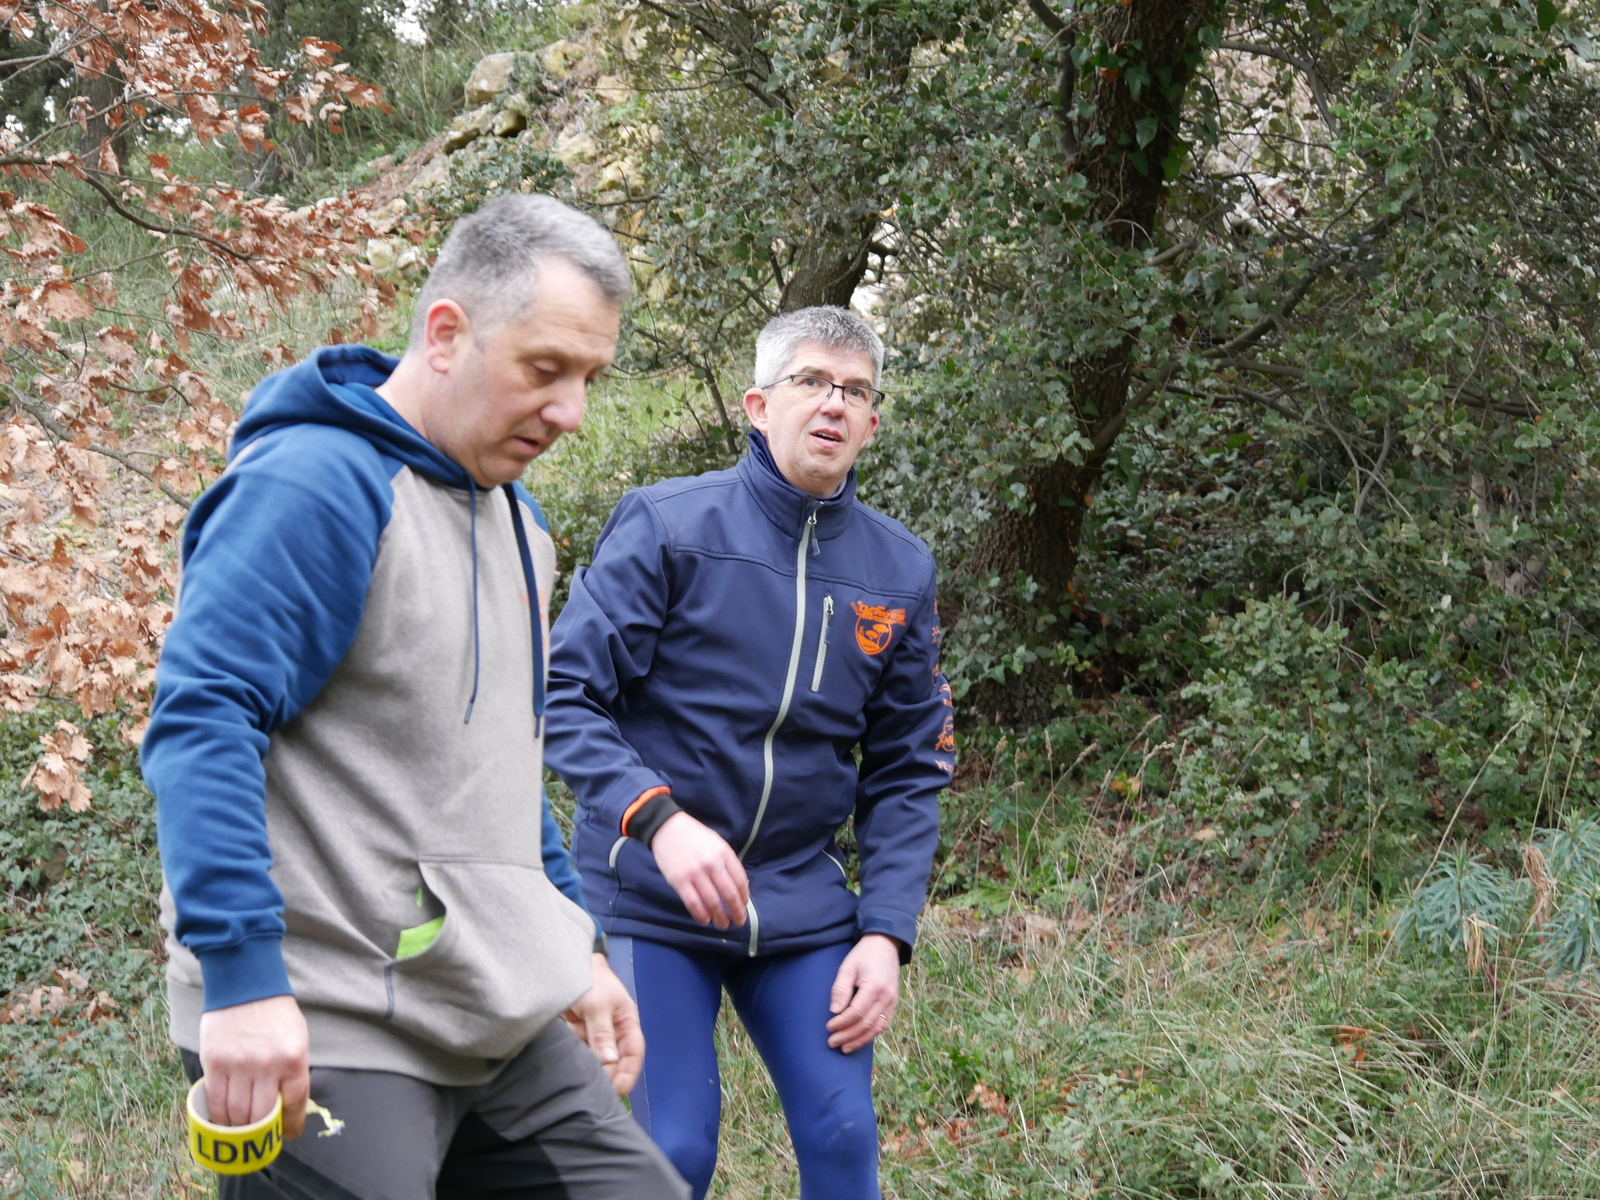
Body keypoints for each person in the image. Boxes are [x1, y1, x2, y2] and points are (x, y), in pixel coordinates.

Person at [141, 194, 687, 1200]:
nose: (571, 411)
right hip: (324, 1012)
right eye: (545, 369)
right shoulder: (318, 484)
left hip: (487, 1010)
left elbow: (495, 769)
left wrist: (574, 946)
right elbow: (203, 719)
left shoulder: (518, 524)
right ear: (445, 333)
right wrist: (242, 981)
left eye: (589, 379)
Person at [545, 305, 956, 1200]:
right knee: (673, 1151)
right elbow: (565, 696)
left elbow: (909, 766)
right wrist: (661, 823)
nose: (834, 403)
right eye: (810, 381)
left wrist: (885, 931)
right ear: (758, 406)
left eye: (855, 391)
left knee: (843, 1136)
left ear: (871, 424)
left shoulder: (900, 570)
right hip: (651, 894)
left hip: (800, 902)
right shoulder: (667, 526)